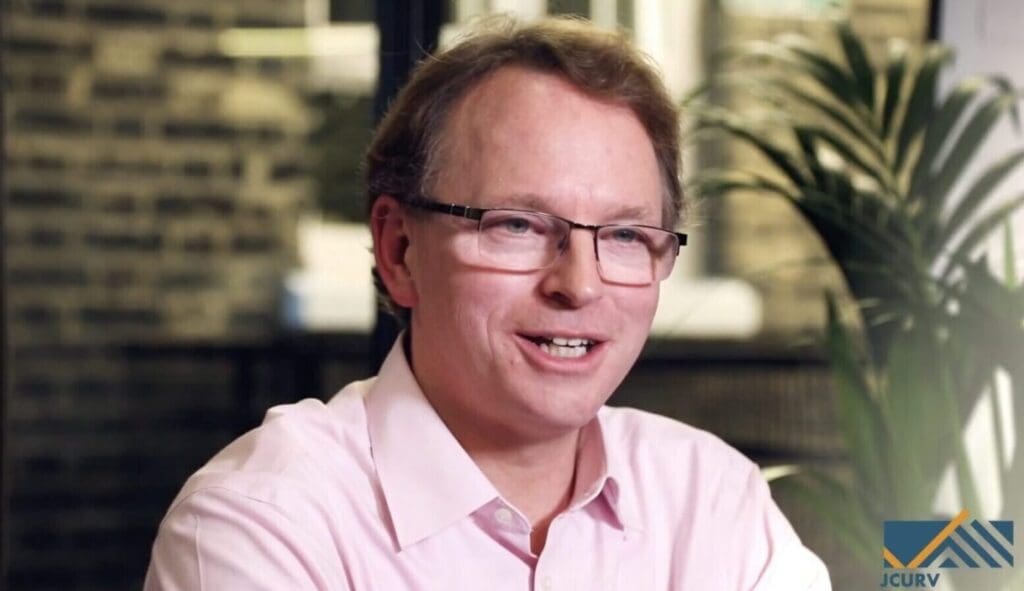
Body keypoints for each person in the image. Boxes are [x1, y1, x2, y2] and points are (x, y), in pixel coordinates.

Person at [145, 16, 830, 590]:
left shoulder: (711, 500)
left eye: (624, 235)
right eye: (518, 225)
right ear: (400, 249)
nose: (579, 284)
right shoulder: (262, 524)